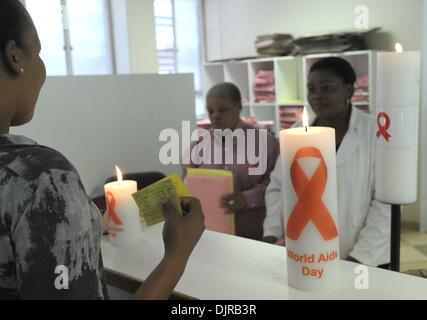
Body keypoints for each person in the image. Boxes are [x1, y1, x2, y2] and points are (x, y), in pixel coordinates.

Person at [0, 0, 204, 300]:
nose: (41, 68)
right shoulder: (41, 178)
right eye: (39, 52)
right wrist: (178, 253)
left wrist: (82, 220)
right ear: (15, 55)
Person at [263, 57, 391, 268]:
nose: (317, 96)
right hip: (305, 249)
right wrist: (272, 232)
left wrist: (360, 257)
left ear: (348, 90)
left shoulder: (375, 133)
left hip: (359, 252)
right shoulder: (295, 133)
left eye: (327, 88)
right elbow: (277, 186)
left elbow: (385, 202)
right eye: (311, 89)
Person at [182, 82, 279, 241]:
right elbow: (185, 179)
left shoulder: (264, 142)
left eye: (222, 110)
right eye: (211, 111)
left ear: (238, 106)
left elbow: (276, 184)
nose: (215, 116)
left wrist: (247, 199)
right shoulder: (199, 144)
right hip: (210, 233)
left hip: (252, 232)